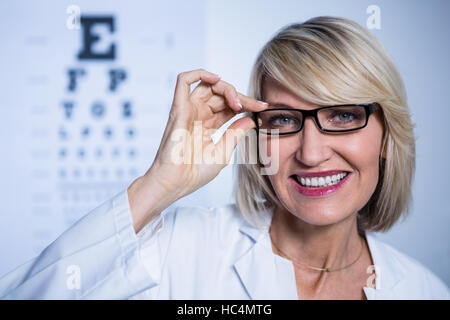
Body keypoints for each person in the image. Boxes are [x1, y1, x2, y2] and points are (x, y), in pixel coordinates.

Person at [0, 16, 448, 300]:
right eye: (283, 120)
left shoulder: (425, 291)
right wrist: (160, 183)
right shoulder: (180, 250)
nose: (311, 153)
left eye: (343, 116)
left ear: (387, 136)